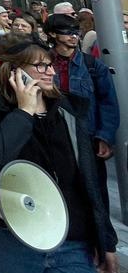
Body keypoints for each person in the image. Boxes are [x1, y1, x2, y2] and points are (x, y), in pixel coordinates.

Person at [0, 37, 117, 273]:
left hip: (71, 240)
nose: (50, 71)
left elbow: (90, 178)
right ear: (15, 71)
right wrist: (24, 111)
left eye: (50, 65)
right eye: (40, 66)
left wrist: (105, 239)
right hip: (12, 239)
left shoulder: (68, 108)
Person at [44, 13, 119, 206]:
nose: (73, 36)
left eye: (76, 31)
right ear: (52, 34)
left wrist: (104, 137)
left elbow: (108, 103)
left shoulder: (92, 65)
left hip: (88, 136)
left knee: (95, 192)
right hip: (55, 138)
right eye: (67, 31)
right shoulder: (42, 64)